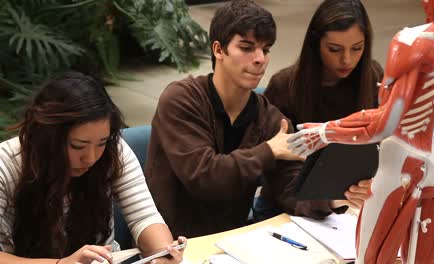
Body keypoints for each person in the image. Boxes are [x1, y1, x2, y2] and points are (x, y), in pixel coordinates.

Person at [144, 0, 357, 239]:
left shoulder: (269, 117)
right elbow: (204, 177)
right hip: (172, 245)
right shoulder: (182, 99)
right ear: (218, 50)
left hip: (232, 244)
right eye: (246, 48)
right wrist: (267, 151)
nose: (260, 59)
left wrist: (331, 198)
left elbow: (290, 187)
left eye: (265, 50)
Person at [287, 0, 434, 262]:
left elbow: (385, 123)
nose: (346, 58)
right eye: (335, 49)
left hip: (404, 163)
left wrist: (325, 133)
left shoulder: (414, 40)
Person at [0, 72, 185, 264]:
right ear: (47, 137)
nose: (91, 157)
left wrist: (163, 253)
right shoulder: (5, 164)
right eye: (78, 146)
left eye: (101, 142)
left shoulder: (114, 151)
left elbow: (144, 217)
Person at [264, 0, 383, 208]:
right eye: (334, 49)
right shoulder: (284, 86)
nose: (346, 59)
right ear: (315, 43)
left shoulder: (372, 77)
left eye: (357, 48)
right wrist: (330, 202)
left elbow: (383, 148)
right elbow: (279, 176)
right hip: (293, 208)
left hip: (356, 205)